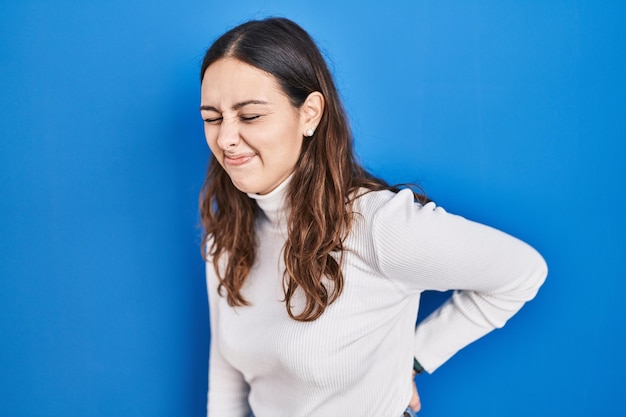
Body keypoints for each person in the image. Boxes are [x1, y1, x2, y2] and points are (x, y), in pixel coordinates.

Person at [198, 17, 547, 417]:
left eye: (250, 116)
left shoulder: (376, 225)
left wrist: (414, 359)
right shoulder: (225, 241)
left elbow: (522, 271)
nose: (225, 138)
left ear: (309, 114)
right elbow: (227, 380)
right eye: (212, 118)